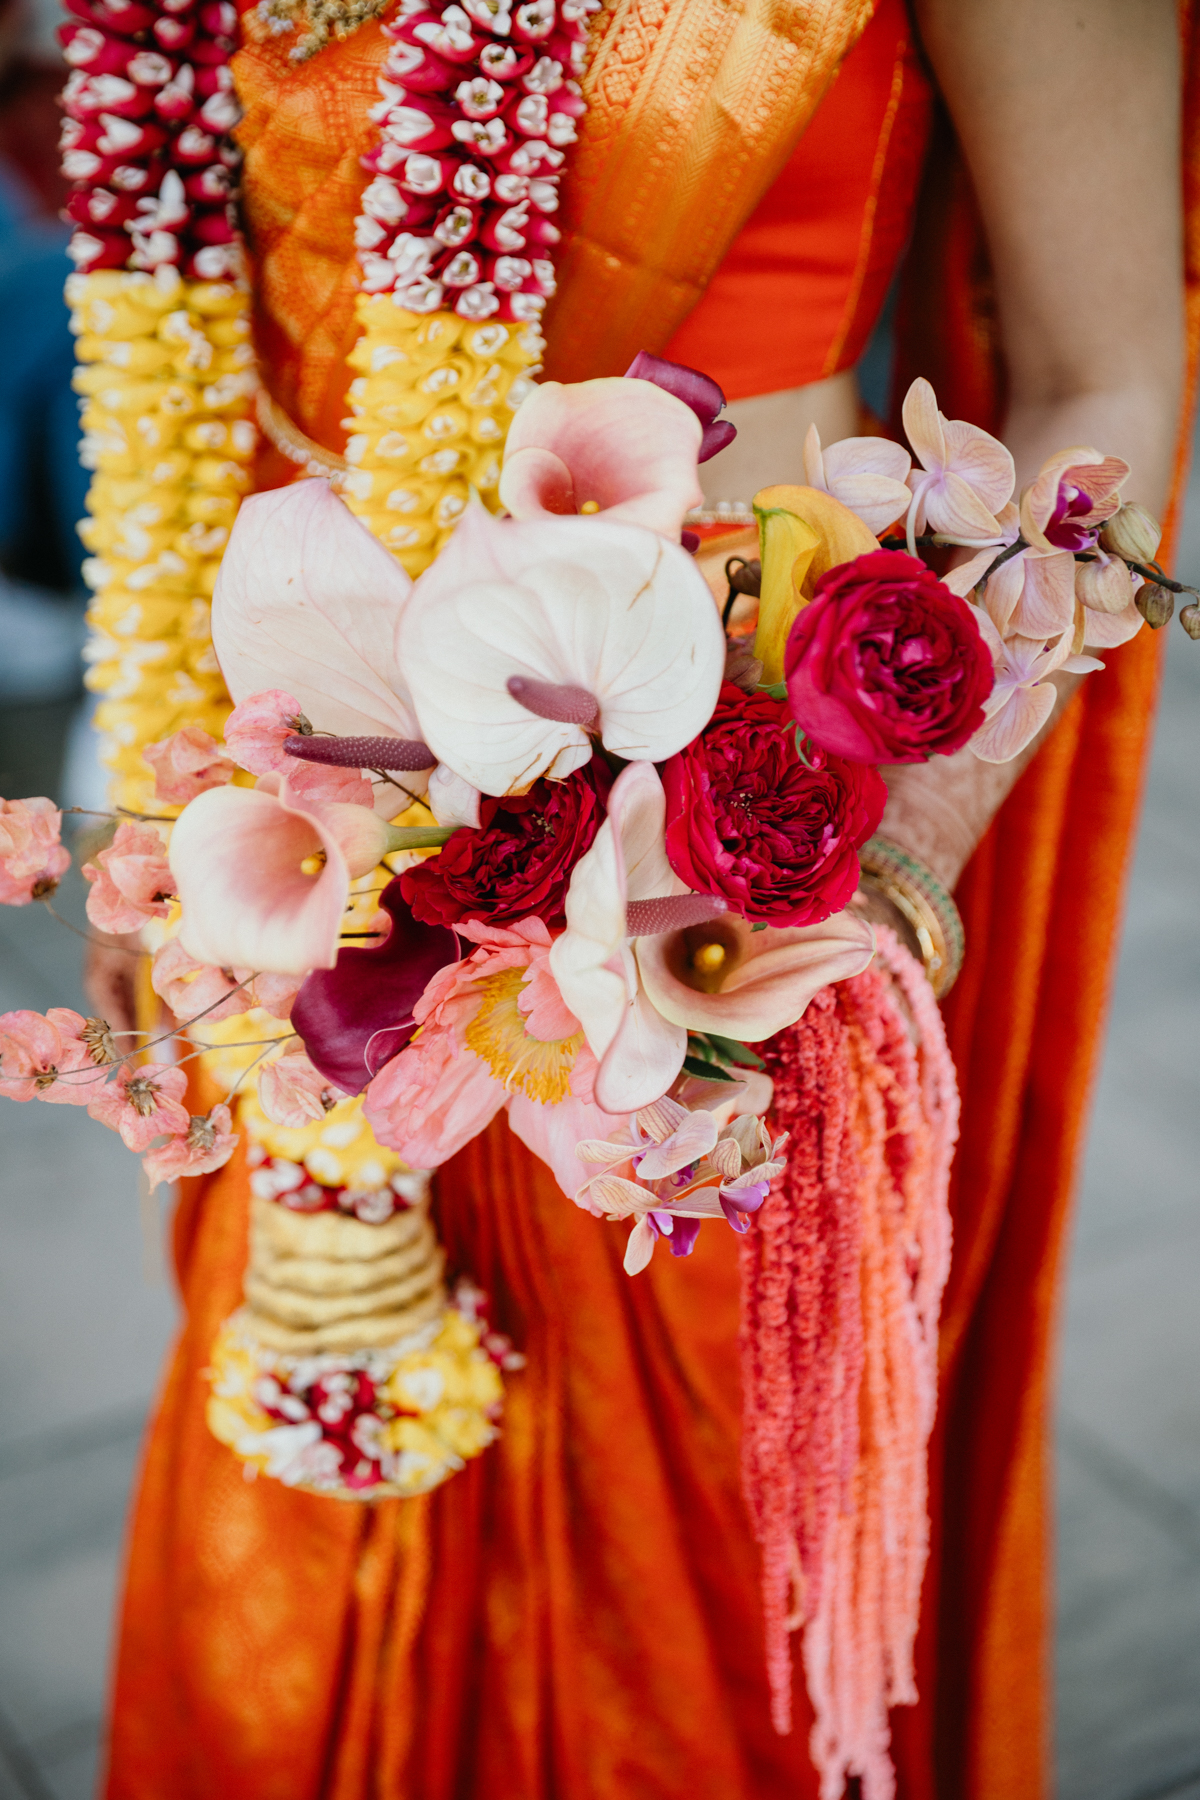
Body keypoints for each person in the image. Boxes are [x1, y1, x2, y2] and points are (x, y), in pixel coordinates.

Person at [90, 0, 1192, 1794]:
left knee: (689, 1621)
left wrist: (873, 865)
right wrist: (165, 799)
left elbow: (1102, 374)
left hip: (725, 877)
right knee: (299, 1514)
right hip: (314, 842)